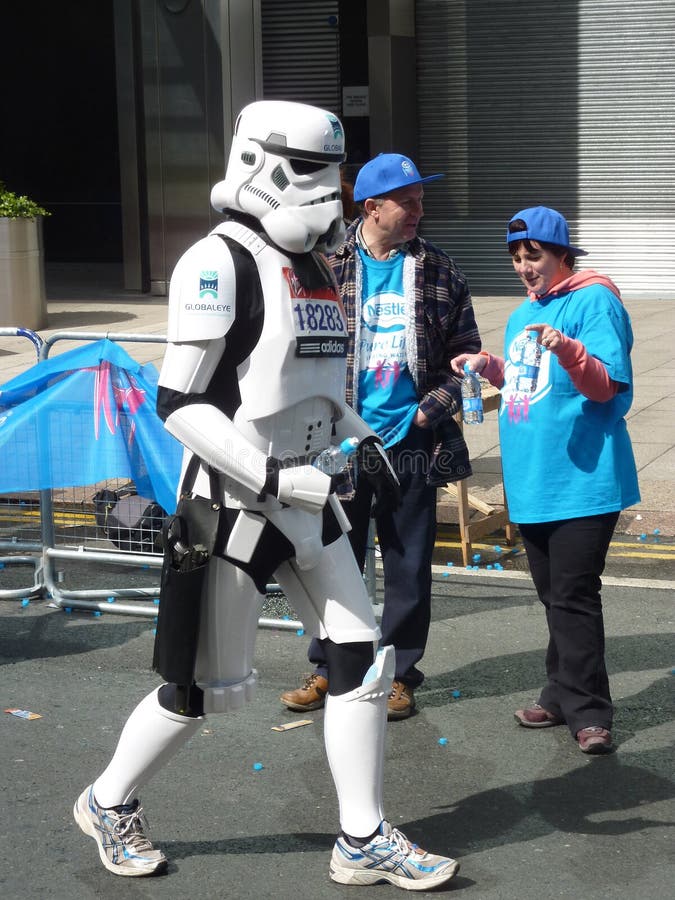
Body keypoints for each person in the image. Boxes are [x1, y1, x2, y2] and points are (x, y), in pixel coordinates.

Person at [72, 101, 459, 891]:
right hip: (232, 504)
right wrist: (278, 477)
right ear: (258, 162)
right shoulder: (215, 263)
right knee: (195, 687)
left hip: (313, 495)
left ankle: (360, 836)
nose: (330, 194)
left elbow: (317, 382)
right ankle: (108, 799)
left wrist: (365, 441)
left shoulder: (315, 264)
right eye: (313, 171)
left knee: (361, 655)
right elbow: (181, 404)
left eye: (335, 174)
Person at [281, 152, 481, 720]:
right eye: (408, 201)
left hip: (411, 444)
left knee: (408, 562)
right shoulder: (320, 265)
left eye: (421, 200)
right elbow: (294, 348)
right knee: (330, 559)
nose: (419, 210)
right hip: (336, 444)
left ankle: (397, 674)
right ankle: (331, 667)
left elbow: (461, 359)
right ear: (372, 207)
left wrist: (426, 414)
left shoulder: (441, 271)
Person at [451, 205, 640, 755]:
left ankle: (589, 712)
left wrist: (570, 349)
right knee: (553, 597)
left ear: (562, 254)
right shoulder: (521, 316)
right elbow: (524, 380)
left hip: (582, 478)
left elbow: (606, 386)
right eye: (515, 257)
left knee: (575, 597)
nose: (523, 267)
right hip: (532, 480)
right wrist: (488, 367)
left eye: (533, 255)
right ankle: (559, 694)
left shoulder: (594, 300)